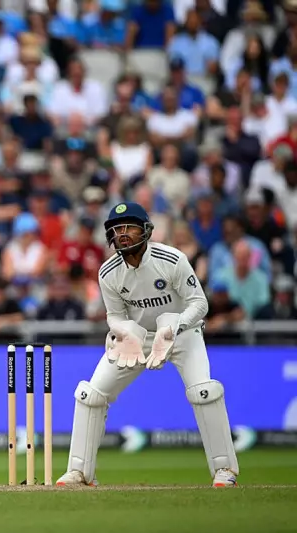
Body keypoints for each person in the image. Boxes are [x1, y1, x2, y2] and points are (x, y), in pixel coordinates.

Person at [56, 202, 239, 488]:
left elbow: (199, 303)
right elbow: (114, 314)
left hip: (182, 333)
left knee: (204, 392)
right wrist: (124, 331)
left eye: (129, 227)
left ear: (146, 230)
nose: (123, 234)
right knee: (90, 395)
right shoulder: (108, 272)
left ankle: (224, 470)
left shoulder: (172, 259)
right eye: (117, 230)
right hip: (137, 339)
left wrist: (174, 326)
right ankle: (79, 472)